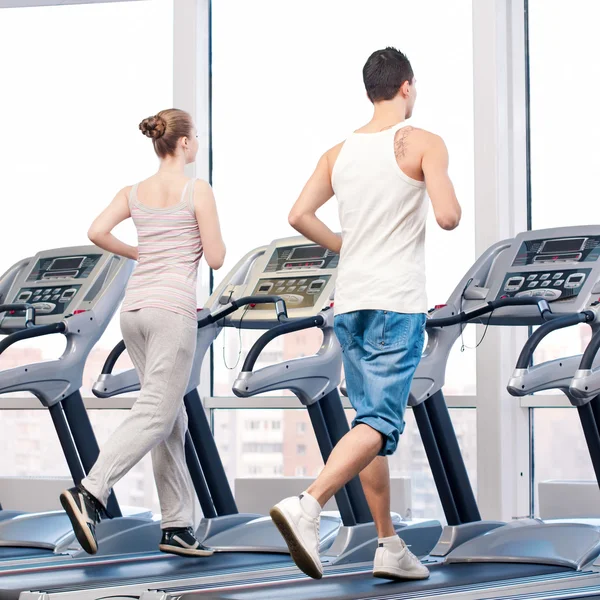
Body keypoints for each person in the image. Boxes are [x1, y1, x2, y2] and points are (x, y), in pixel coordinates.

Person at [270, 47, 462, 580]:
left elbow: (298, 215)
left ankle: (387, 544)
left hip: (349, 302)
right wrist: (440, 187)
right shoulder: (423, 142)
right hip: (395, 302)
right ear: (407, 87)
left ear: (369, 91)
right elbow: (446, 216)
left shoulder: (338, 153)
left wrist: (344, 246)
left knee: (367, 424)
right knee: (380, 422)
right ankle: (307, 506)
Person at [60, 108, 226, 557]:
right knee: (156, 410)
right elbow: (215, 257)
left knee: (171, 417)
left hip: (134, 310)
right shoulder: (197, 190)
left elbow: (96, 231)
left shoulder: (133, 192)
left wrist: (140, 250)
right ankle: (90, 492)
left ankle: (176, 525)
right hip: (171, 309)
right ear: (186, 143)